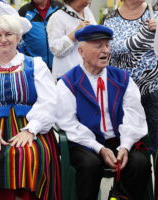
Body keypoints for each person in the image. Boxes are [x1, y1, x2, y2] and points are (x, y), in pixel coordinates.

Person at [0, 15, 61, 200]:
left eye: (8, 34)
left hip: (31, 124)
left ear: (18, 37)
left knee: (30, 153)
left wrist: (31, 130)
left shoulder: (36, 65)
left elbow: (49, 102)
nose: (3, 39)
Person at [56, 25, 151, 200]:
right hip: (85, 143)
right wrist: (99, 148)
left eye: (107, 45)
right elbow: (68, 122)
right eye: (98, 46)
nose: (105, 50)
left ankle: (120, 197)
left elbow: (134, 114)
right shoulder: (68, 82)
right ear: (81, 51)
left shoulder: (122, 78)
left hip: (119, 139)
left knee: (139, 163)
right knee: (89, 165)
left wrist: (125, 145)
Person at [102, 0, 158, 149]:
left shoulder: (155, 12)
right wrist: (144, 35)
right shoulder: (110, 18)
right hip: (121, 90)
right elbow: (111, 48)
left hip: (153, 88)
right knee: (128, 143)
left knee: (155, 142)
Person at [47, 0, 96, 79]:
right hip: (68, 76)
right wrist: (75, 33)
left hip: (88, 74)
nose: (89, 2)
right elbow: (55, 49)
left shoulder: (87, 12)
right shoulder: (57, 17)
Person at [18, 0, 62, 70]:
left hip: (59, 65)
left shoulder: (60, 7)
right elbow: (19, 38)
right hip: (34, 67)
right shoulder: (23, 11)